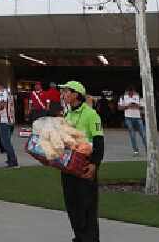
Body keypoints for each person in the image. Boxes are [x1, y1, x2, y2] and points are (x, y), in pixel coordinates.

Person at [59, 81, 104, 242]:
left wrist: (94, 164)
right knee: (72, 206)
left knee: (87, 206)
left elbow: (99, 142)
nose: (63, 95)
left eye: (66, 92)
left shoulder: (91, 115)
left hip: (85, 167)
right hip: (68, 167)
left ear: (76, 94)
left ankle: (90, 239)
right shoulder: (67, 114)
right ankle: (80, 237)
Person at [0, 78, 18, 168]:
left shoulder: (2, 93)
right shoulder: (8, 93)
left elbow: (2, 105)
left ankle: (13, 161)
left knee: (5, 142)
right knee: (7, 141)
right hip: (10, 120)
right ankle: (9, 159)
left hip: (4, 120)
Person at [118, 86, 147, 155]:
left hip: (138, 117)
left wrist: (137, 106)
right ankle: (136, 151)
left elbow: (143, 107)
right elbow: (119, 108)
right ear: (127, 92)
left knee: (143, 134)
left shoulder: (138, 96)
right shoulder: (122, 97)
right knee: (132, 135)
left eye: (133, 92)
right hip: (128, 118)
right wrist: (127, 106)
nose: (131, 94)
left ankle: (147, 149)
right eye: (129, 93)